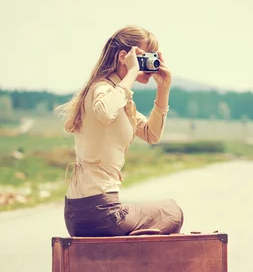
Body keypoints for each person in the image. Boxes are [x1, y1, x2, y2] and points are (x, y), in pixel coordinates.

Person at [58, 25, 184, 237]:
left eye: (153, 57)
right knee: (173, 212)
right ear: (123, 57)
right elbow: (105, 112)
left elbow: (151, 134)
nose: (150, 64)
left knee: (161, 213)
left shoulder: (121, 97)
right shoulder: (103, 89)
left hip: (80, 212)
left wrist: (163, 89)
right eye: (144, 57)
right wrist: (133, 71)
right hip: (99, 210)